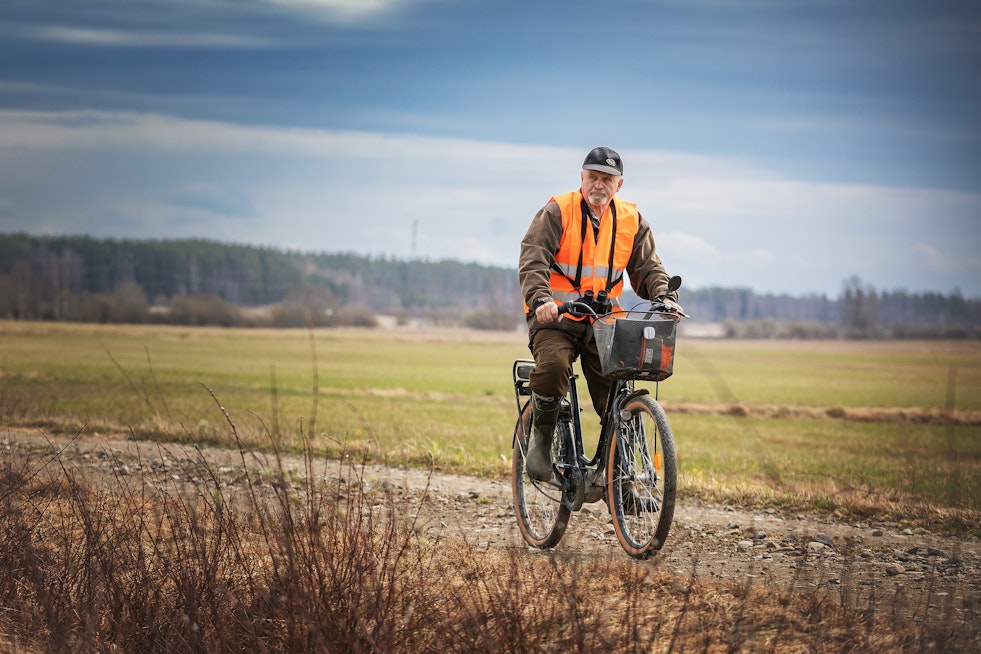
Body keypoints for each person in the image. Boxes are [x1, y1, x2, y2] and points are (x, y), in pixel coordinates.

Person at [518, 146, 683, 481]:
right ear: (582, 178)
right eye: (592, 177)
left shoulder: (631, 220)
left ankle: (622, 482)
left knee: (618, 395)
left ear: (618, 185)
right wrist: (540, 301)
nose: (599, 184)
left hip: (603, 322)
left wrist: (665, 296)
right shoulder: (557, 211)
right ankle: (542, 441)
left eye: (606, 179)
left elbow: (649, 268)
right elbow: (533, 258)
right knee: (553, 367)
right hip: (557, 318)